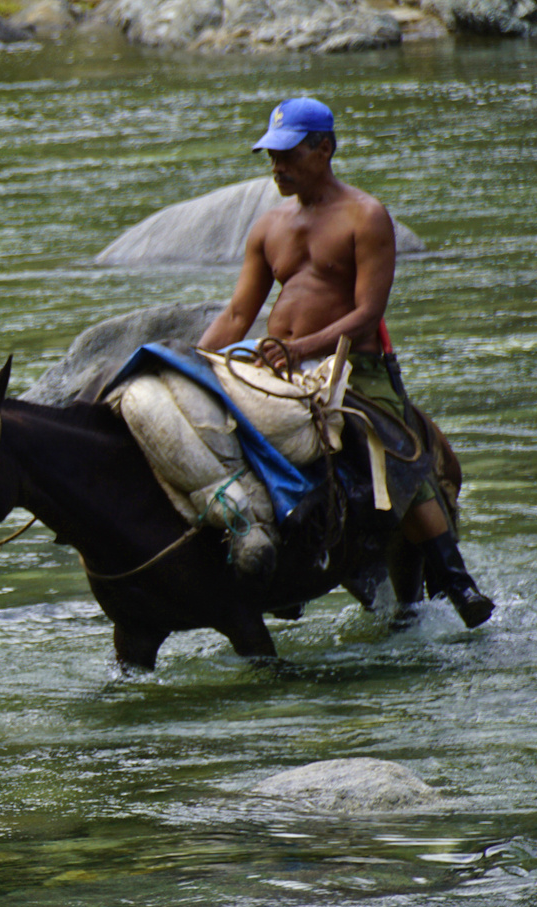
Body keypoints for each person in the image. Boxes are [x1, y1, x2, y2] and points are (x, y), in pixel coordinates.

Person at [197, 96, 493, 627]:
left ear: (325, 148)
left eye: (288, 154)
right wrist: (195, 362)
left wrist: (302, 347)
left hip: (355, 368)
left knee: (392, 448)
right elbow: (240, 311)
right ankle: (279, 568)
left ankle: (455, 578)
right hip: (279, 368)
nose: (277, 167)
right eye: (271, 155)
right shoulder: (268, 226)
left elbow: (366, 312)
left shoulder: (366, 215)